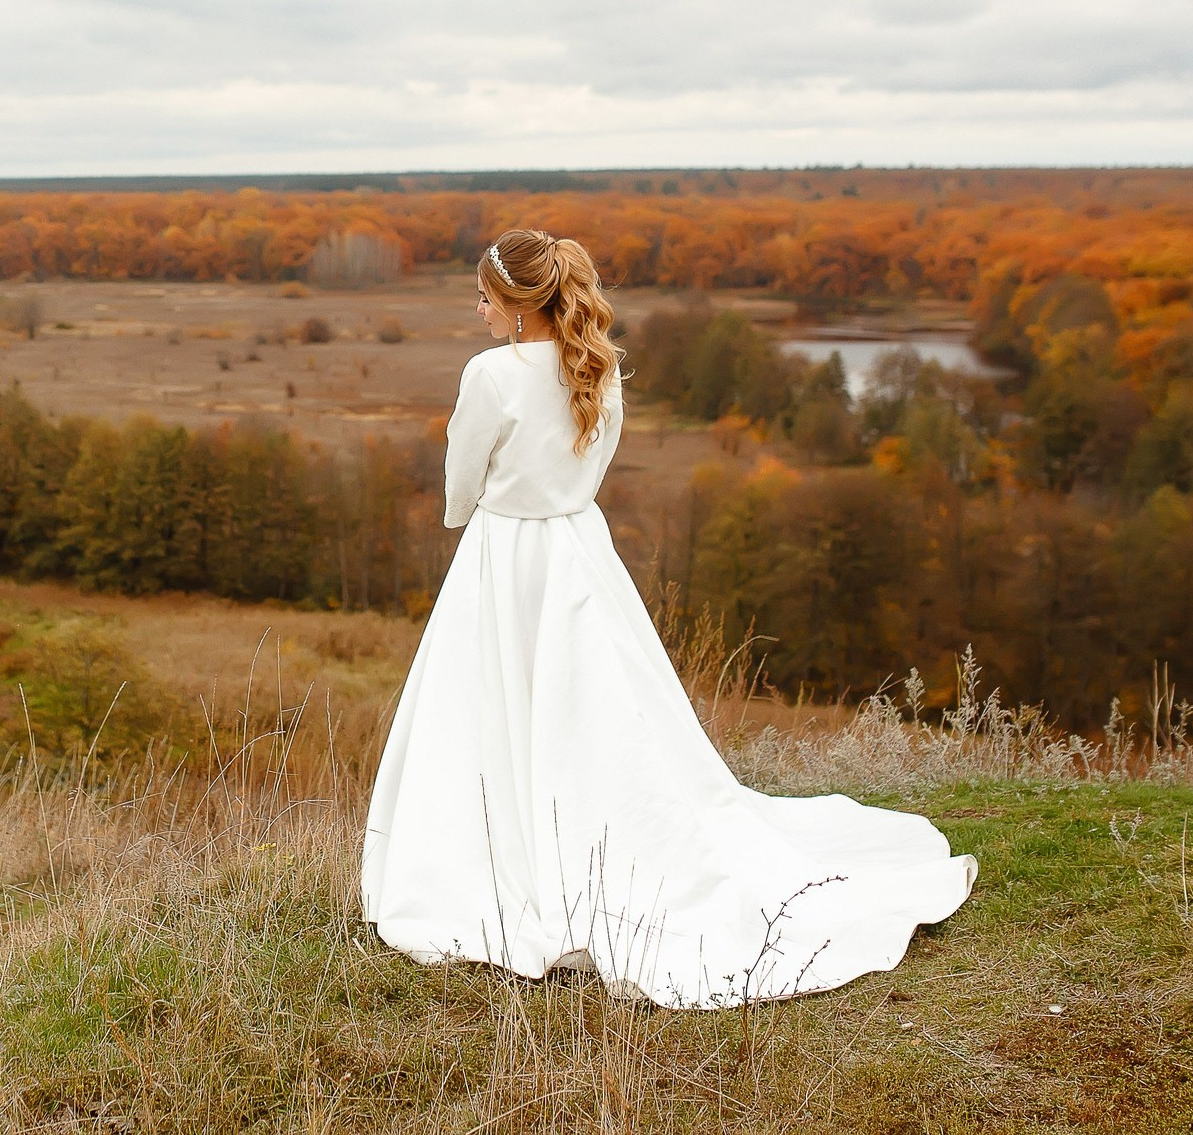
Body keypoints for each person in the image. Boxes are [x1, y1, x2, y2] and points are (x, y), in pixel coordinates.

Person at [360, 229, 976, 1007]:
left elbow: (460, 475)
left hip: (507, 557)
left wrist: (465, 514)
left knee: (490, 706)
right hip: (581, 552)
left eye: (484, 296)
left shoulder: (490, 374)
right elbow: (593, 461)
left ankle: (505, 857)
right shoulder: (599, 365)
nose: (477, 308)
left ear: (518, 305)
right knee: (596, 709)